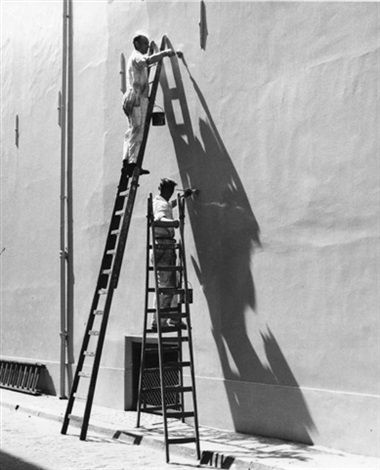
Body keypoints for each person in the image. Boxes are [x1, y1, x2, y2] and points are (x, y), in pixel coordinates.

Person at [122, 34, 177, 177]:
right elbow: (147, 60)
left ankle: (126, 162)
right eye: (144, 44)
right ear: (137, 44)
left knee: (131, 131)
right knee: (137, 130)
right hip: (136, 98)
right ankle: (132, 165)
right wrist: (165, 53)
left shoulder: (134, 57)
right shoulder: (136, 57)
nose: (146, 47)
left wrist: (153, 48)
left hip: (132, 97)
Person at [151, 178, 193, 329]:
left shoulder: (160, 201)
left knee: (172, 283)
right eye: (170, 192)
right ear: (165, 190)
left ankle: (172, 319)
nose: (170, 195)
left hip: (163, 244)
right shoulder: (161, 204)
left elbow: (169, 205)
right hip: (163, 245)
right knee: (166, 286)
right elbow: (159, 218)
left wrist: (182, 197)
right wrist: (174, 223)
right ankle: (159, 322)